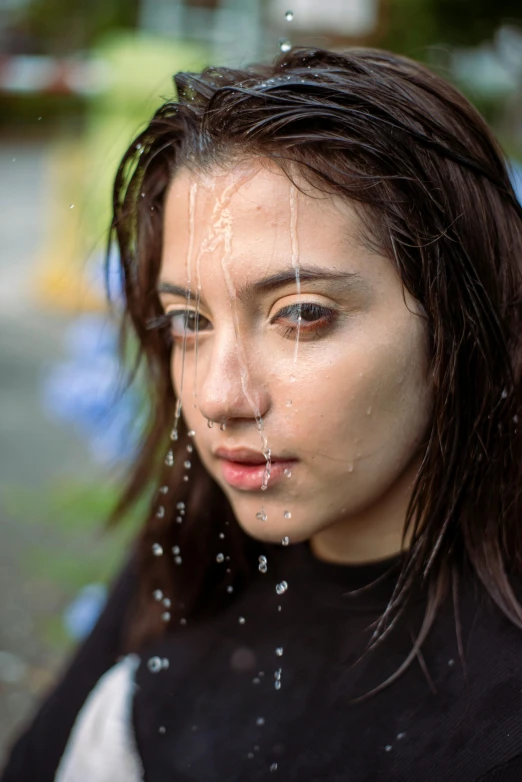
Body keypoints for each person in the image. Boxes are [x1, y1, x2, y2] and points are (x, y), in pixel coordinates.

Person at [2, 45, 522, 782]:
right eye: (188, 321)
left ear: (456, 323)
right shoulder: (190, 560)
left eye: (301, 315)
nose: (220, 397)